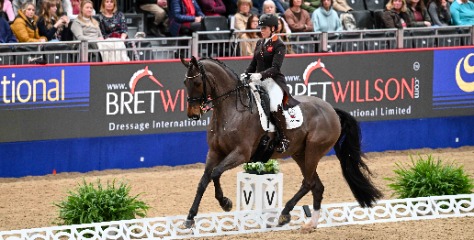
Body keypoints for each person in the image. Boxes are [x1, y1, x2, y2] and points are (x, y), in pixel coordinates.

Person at [241, 14, 299, 153]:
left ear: (273, 28)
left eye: (264, 27)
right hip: (258, 80)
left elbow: (275, 68)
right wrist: (246, 73)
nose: (261, 30)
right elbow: (253, 63)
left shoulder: (279, 45)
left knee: (273, 104)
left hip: (273, 81)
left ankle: (283, 138)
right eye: (260, 27)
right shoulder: (260, 43)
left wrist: (260, 75)